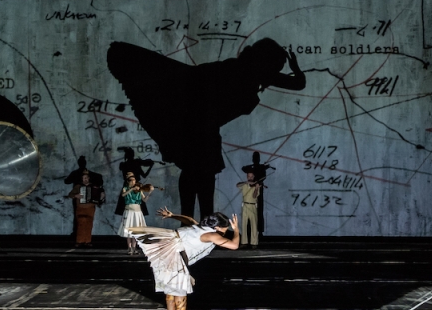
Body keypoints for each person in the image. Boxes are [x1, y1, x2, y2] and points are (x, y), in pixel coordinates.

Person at [108, 39, 305, 219]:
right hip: (196, 127)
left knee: (201, 174)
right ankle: (193, 220)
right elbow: (194, 83)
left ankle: (200, 220)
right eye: (276, 66)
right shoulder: (233, 71)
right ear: (265, 61)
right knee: (198, 173)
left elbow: (297, 83)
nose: (275, 71)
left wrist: (294, 66)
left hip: (204, 129)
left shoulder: (250, 73)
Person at [129, 207, 240, 310]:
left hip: (168, 253)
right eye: (225, 228)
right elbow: (234, 245)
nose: (226, 231)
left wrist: (172, 215)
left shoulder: (199, 227)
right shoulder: (212, 235)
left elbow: (189, 220)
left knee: (172, 289)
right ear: (217, 227)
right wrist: (236, 229)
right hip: (174, 256)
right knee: (180, 289)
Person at [118, 172, 153, 255]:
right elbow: (123, 195)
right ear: (128, 181)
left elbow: (144, 200)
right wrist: (131, 189)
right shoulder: (125, 188)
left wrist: (149, 193)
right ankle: (129, 248)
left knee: (136, 231)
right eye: (131, 180)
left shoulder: (139, 190)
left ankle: (134, 248)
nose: (133, 182)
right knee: (128, 230)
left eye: (134, 180)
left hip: (137, 213)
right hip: (129, 212)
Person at [68, 170, 105, 247]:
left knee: (89, 224)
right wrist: (76, 195)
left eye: (86, 178)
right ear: (81, 179)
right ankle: (79, 241)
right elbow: (70, 195)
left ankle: (87, 241)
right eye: (84, 178)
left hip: (90, 207)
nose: (85, 179)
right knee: (80, 224)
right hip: (80, 207)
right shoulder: (78, 186)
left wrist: (101, 196)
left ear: (89, 178)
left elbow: (100, 195)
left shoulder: (94, 186)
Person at [241, 151, 273, 237]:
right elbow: (243, 168)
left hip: (258, 189)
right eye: (254, 158)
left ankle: (259, 231)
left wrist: (262, 167)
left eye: (256, 158)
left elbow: (263, 177)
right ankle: (250, 231)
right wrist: (257, 167)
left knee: (259, 210)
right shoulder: (254, 168)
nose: (255, 159)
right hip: (250, 190)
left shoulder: (260, 168)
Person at [236, 171, 262, 248]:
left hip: (253, 206)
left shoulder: (256, 185)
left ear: (254, 177)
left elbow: (254, 196)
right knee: (244, 224)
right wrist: (246, 182)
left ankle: (254, 242)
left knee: (254, 224)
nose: (250, 178)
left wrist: (256, 188)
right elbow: (237, 185)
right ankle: (244, 242)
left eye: (251, 176)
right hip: (245, 205)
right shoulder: (244, 185)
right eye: (248, 176)